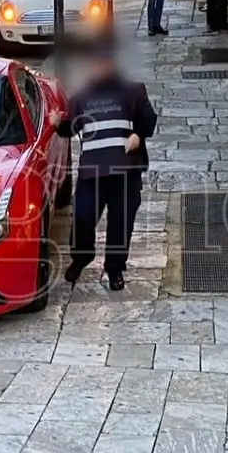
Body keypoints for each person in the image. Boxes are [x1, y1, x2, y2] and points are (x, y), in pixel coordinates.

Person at [58, 47, 157, 291]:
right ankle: (81, 258)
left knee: (121, 222)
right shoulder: (81, 96)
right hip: (92, 172)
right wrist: (55, 123)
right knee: (82, 216)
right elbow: (68, 127)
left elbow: (148, 119)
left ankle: (115, 269)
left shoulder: (133, 90)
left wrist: (138, 135)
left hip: (125, 172)